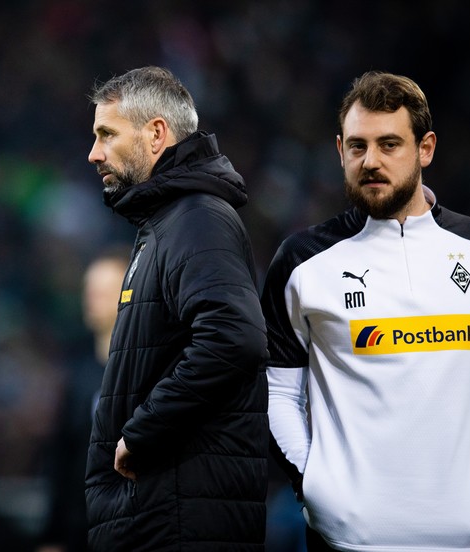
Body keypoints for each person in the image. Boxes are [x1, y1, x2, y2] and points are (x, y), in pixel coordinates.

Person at [260, 70, 470, 552]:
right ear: (339, 151)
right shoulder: (301, 262)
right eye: (357, 146)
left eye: (389, 144)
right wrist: (315, 485)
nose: (370, 161)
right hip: (346, 542)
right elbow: (277, 391)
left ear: (426, 148)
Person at [83, 66, 270, 551]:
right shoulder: (168, 222)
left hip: (179, 521)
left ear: (157, 134)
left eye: (107, 134)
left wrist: (142, 432)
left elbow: (234, 337)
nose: (94, 153)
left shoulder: (197, 219)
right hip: (162, 514)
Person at [37, 249, 129, 552]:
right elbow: (63, 457)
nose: (92, 299)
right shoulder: (77, 374)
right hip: (81, 529)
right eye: (89, 290)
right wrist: (53, 535)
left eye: (103, 291)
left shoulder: (145, 372)